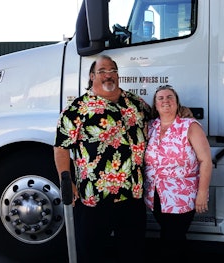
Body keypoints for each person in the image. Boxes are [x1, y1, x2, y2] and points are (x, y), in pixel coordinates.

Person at [53, 55, 150, 263]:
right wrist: (66, 179)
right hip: (94, 197)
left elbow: (159, 120)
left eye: (113, 70)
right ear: (91, 76)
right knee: (92, 254)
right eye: (102, 70)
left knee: (133, 252)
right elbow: (62, 148)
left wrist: (181, 112)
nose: (109, 74)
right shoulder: (77, 108)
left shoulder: (135, 103)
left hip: (132, 194)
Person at [144, 85, 213, 259]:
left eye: (170, 97)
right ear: (155, 104)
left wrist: (202, 193)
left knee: (172, 238)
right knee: (170, 236)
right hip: (156, 195)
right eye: (160, 98)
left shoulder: (189, 126)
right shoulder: (150, 127)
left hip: (182, 196)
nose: (165, 101)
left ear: (177, 103)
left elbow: (205, 161)